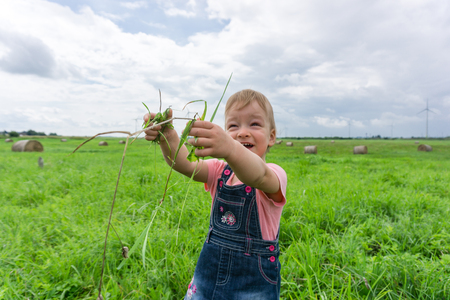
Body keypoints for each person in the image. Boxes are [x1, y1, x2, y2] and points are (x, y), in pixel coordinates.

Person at [144, 89, 287, 299]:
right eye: (233, 126)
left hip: (253, 287)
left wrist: (230, 148)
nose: (242, 132)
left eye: (254, 124)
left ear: (271, 136)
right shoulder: (220, 171)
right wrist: (167, 135)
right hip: (207, 280)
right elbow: (184, 163)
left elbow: (257, 176)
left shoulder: (274, 174)